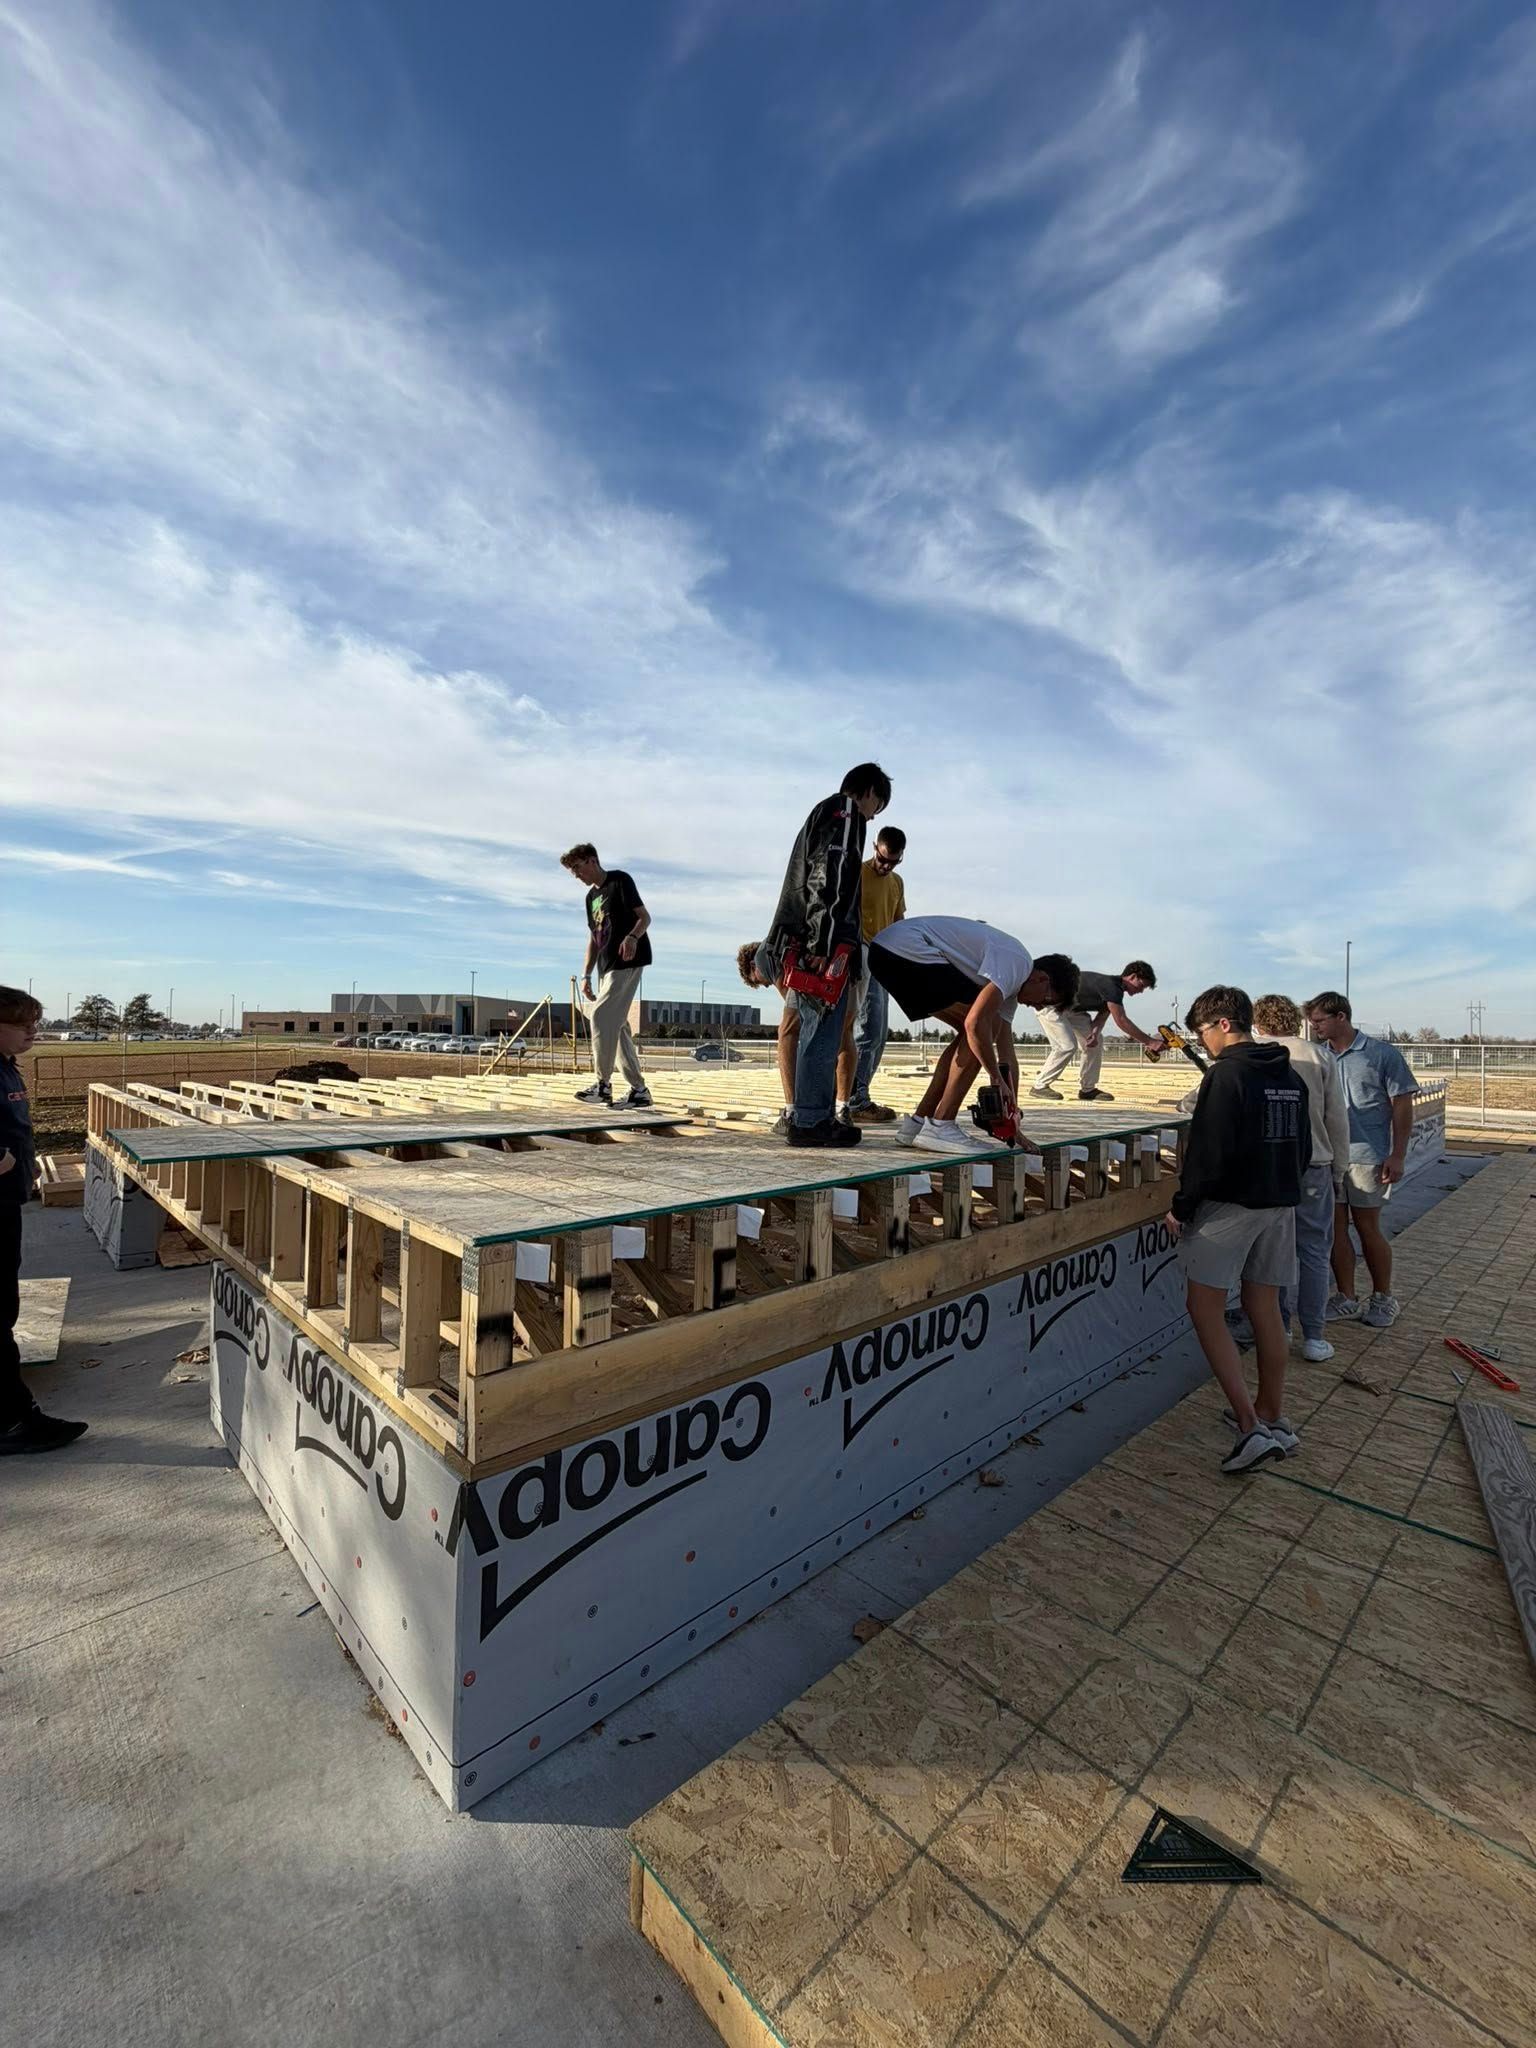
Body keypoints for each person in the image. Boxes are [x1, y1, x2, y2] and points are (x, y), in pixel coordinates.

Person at [1167, 985, 1311, 1474]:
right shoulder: (1288, 1074)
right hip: (1280, 1203)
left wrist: (1182, 1208)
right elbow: (1303, 1148)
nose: (1203, 1042)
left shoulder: (1226, 1075)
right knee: (1265, 1305)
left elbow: (1208, 1154)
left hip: (1230, 1207)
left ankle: (1251, 1429)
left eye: (1203, 1032)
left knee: (1203, 1307)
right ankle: (1272, 1412)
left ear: (1223, 1025)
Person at [866, 915, 1078, 1153]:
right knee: (980, 1029)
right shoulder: (1019, 963)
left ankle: (917, 1123)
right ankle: (941, 1124)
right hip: (906, 949)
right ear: (1042, 979)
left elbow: (1007, 1055)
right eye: (1048, 1001)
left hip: (886, 952)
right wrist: (995, 1077)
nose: (1039, 1008)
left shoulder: (1008, 990)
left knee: (976, 1034)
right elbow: (976, 1025)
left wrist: (1012, 1121)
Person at [759, 764, 891, 1147]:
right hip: (819, 944)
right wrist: (824, 943)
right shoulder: (846, 813)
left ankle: (807, 1114)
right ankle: (812, 1120)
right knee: (823, 1031)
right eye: (877, 806)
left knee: (812, 1028)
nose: (873, 815)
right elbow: (829, 878)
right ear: (869, 792)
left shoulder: (822, 813)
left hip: (801, 938)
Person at [1, 987, 88, 1455]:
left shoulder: (5, 1067)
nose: (33, 1031)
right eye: (23, 1023)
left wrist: (26, 1160)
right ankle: (13, 1423)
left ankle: (14, 1416)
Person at [1303, 991, 1416, 1328]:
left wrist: (1397, 1154)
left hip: (1369, 1158)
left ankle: (1383, 1297)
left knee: (1368, 1229)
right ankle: (1346, 1297)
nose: (1316, 1028)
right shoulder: (1317, 1058)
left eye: (1321, 1020)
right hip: (1329, 1159)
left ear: (1342, 1017)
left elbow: (1402, 1105)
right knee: (1335, 1232)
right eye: (1313, 1022)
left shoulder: (1380, 1055)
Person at [1250, 995, 1351, 1363]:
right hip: (1314, 1165)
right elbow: (1336, 1118)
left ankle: (1279, 1327)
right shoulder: (1318, 1056)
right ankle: (1314, 1336)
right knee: (1312, 1251)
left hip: (1269, 1166)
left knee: (1272, 1251)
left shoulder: (1251, 1052)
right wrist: (1339, 1169)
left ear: (1258, 1023)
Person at [560, 844, 654, 1109]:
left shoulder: (620, 881)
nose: (576, 875)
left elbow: (645, 917)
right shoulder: (590, 899)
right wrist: (586, 974)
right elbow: (594, 937)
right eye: (572, 871)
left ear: (592, 861)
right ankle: (639, 1091)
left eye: (578, 868)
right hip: (606, 967)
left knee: (600, 1016)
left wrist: (633, 937)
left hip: (628, 961)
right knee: (617, 1025)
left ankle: (602, 1086)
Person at [841, 827, 907, 1123]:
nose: (886, 867)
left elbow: (898, 922)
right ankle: (855, 1099)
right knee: (867, 1027)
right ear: (874, 848)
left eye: (893, 862)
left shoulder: (896, 883)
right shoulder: (856, 872)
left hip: (883, 957)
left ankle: (858, 1094)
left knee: (879, 1033)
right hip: (860, 951)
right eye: (882, 860)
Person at [1030, 960, 1160, 1102]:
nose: (1141, 991)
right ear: (1132, 976)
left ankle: (1088, 1089)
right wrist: (1150, 1042)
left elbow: (1101, 1018)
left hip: (1072, 1009)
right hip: (1049, 1005)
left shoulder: (1115, 992)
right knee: (1066, 1046)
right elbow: (1121, 1020)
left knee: (1095, 1044)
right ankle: (1039, 1086)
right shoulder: (1111, 986)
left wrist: (1094, 1034)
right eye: (1141, 986)